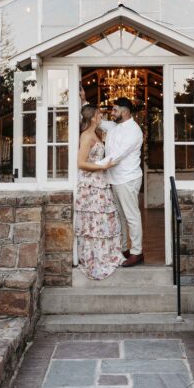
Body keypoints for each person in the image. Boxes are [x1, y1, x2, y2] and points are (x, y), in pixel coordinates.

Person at [75, 104, 123, 280]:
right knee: (93, 221)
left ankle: (106, 254)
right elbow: (80, 163)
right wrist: (103, 165)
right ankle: (94, 258)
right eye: (99, 114)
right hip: (91, 185)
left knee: (104, 219)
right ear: (93, 117)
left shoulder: (97, 133)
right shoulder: (86, 136)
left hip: (100, 182)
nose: (101, 116)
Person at [101, 96, 145, 267]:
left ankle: (137, 252)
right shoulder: (114, 126)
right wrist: (82, 102)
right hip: (115, 179)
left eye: (115, 110)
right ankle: (125, 249)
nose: (112, 113)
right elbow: (96, 121)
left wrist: (92, 166)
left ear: (125, 112)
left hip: (128, 178)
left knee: (132, 216)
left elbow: (117, 156)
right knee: (120, 216)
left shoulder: (134, 131)